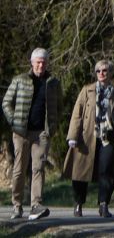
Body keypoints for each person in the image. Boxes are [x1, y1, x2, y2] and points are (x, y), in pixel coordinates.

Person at [63, 60, 114, 218]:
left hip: (108, 137)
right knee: (80, 172)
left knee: (107, 171)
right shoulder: (87, 90)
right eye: (98, 71)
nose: (101, 74)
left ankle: (104, 204)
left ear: (110, 73)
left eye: (104, 70)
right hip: (87, 137)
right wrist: (73, 136)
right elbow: (77, 114)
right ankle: (78, 203)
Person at [5, 48, 61, 221]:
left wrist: (53, 126)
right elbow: (6, 102)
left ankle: (36, 204)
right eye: (38, 62)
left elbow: (59, 106)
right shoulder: (20, 80)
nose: (41, 65)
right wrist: (14, 121)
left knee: (38, 167)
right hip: (21, 132)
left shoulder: (53, 83)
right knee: (19, 169)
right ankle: (17, 204)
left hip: (42, 133)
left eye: (44, 62)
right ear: (32, 62)